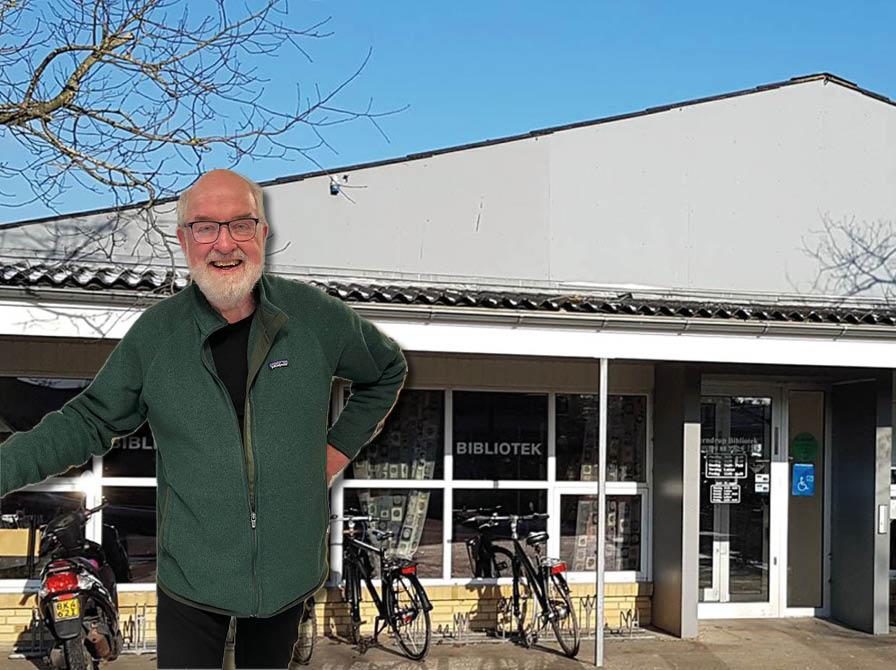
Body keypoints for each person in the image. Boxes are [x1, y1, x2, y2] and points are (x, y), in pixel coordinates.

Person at [0, 169, 408, 668]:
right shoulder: (158, 335)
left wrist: (336, 451)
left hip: (286, 573)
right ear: (183, 240)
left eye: (240, 224)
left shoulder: (312, 317)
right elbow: (86, 420)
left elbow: (387, 369)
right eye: (205, 227)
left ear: (262, 233)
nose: (224, 243)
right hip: (191, 578)